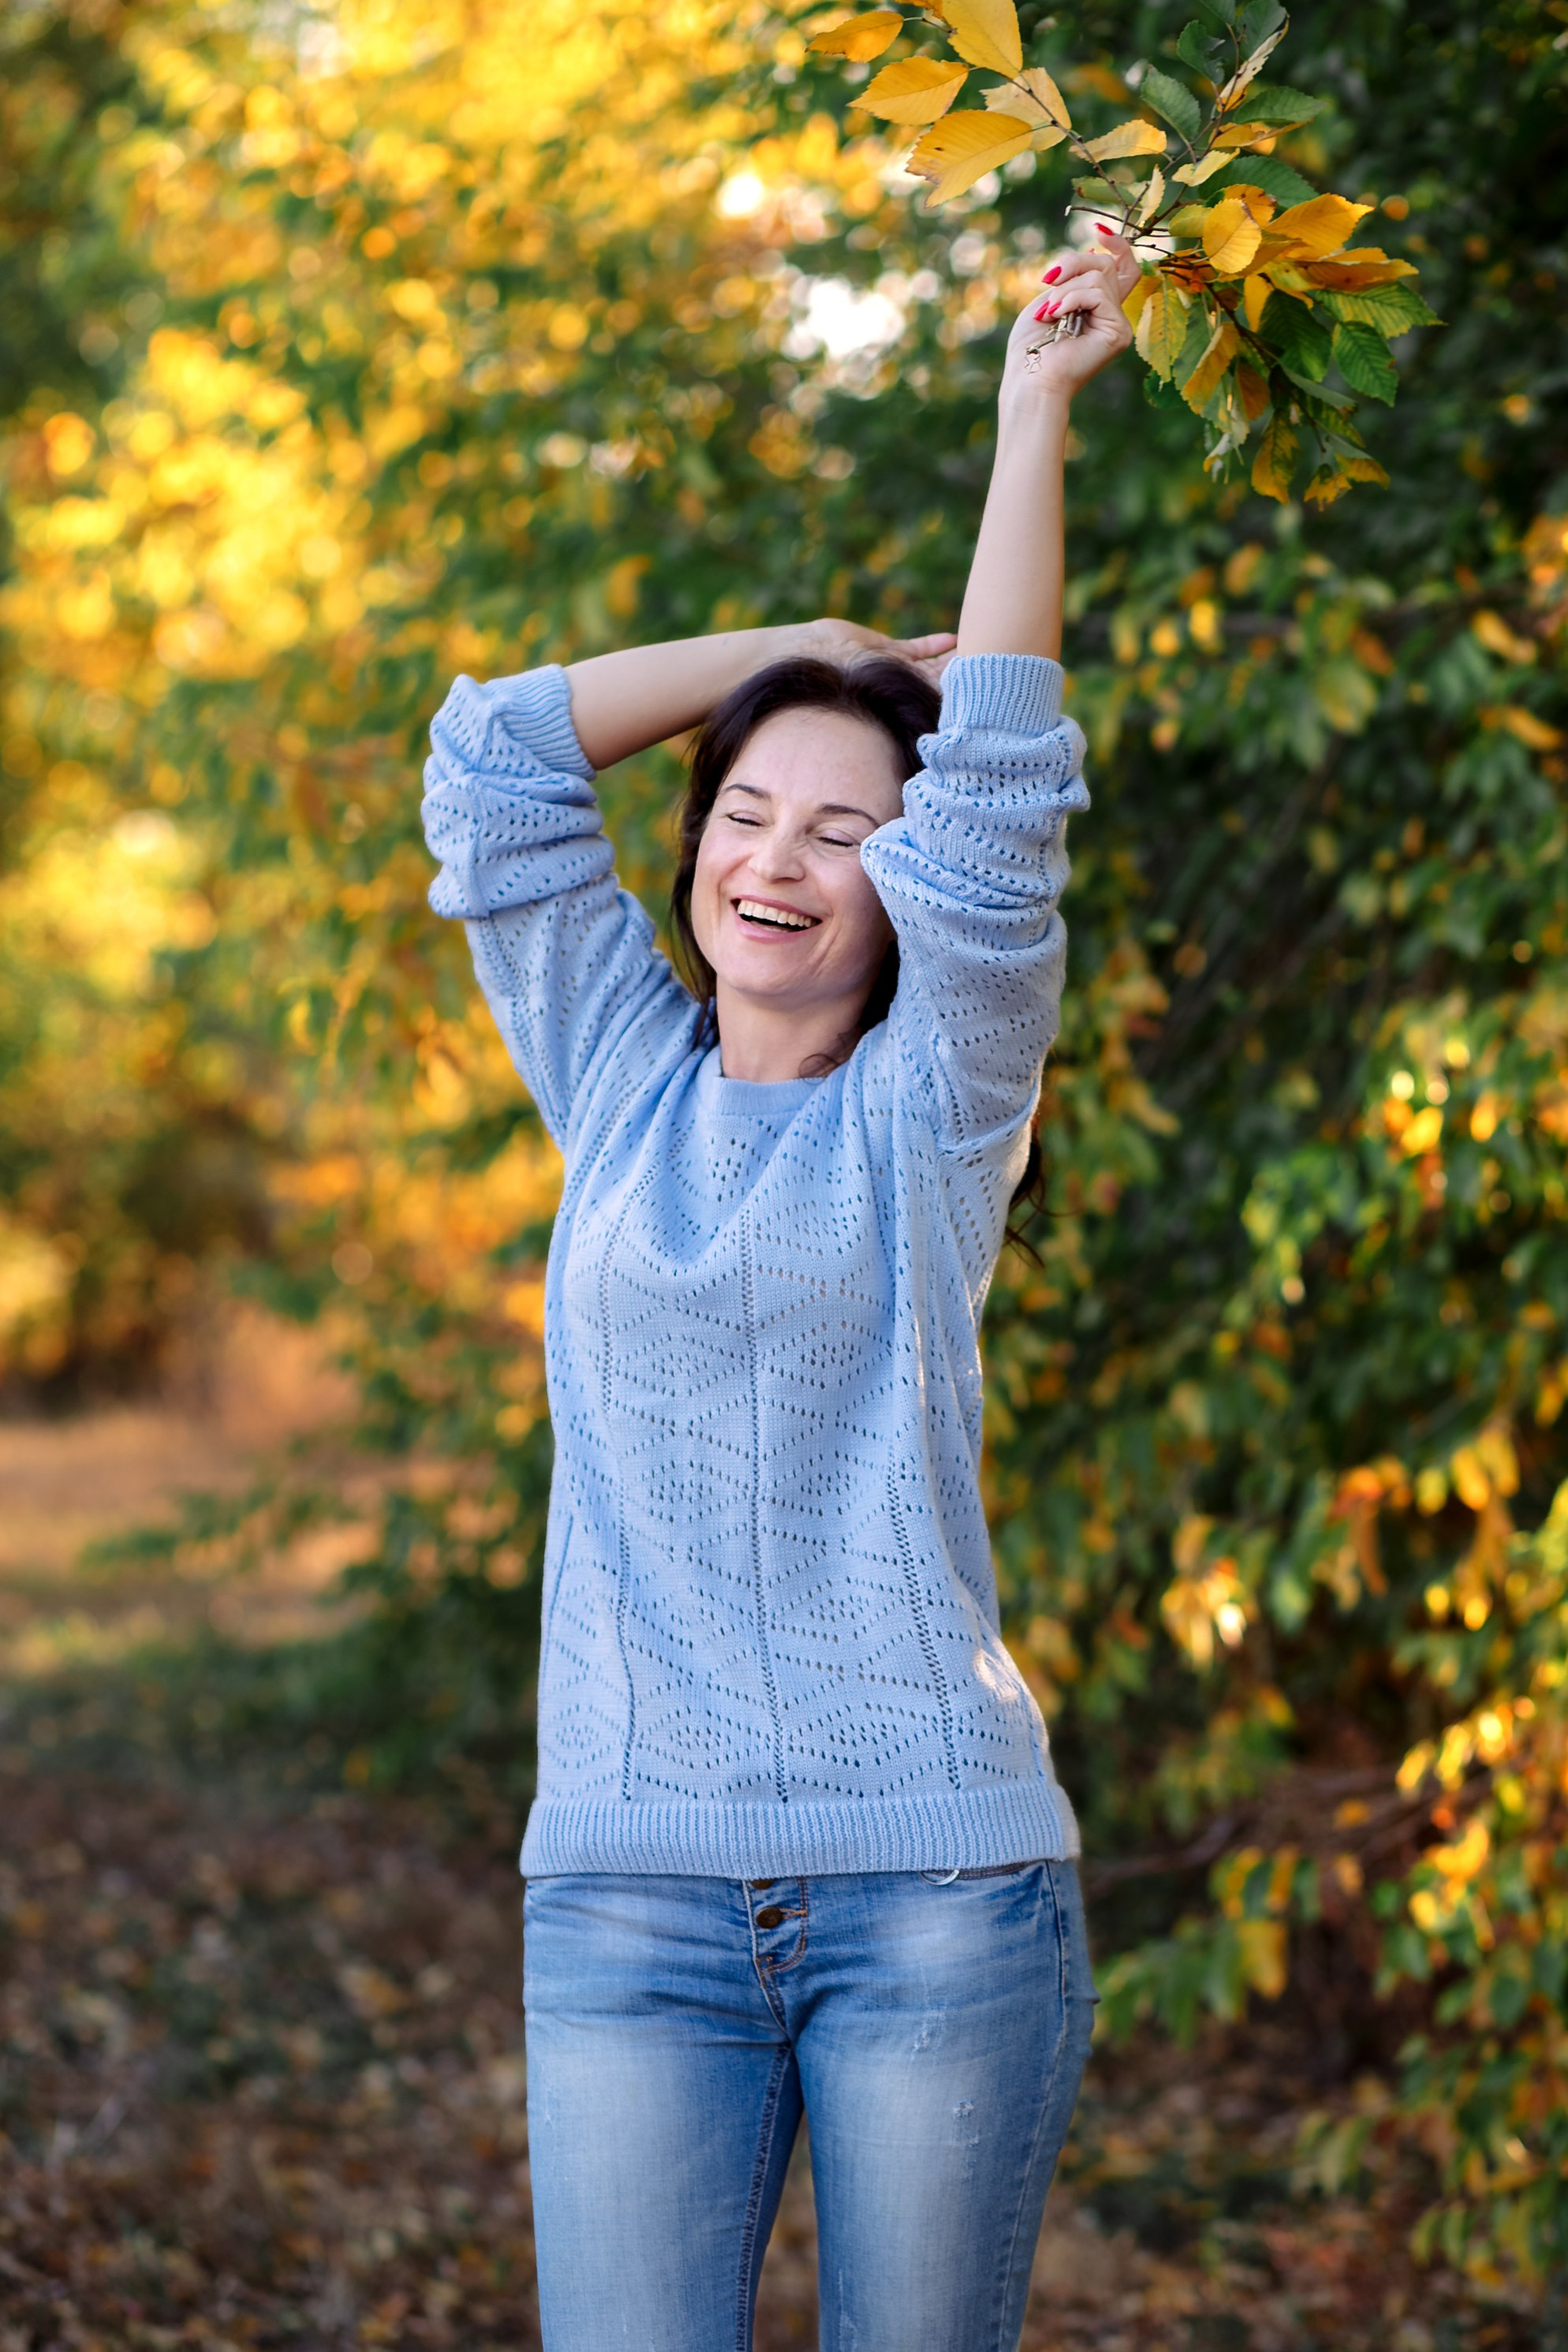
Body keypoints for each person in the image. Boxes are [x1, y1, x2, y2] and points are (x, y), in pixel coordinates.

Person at [421, 230, 1137, 2352]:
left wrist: (1030, 414)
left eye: (842, 831)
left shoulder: (937, 1106)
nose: (775, 859)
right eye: (744, 811)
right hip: (625, 1897)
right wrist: (811, 649)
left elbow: (998, 788)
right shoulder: (615, 1079)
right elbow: (494, 755)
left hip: (936, 1896)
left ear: (903, 891)